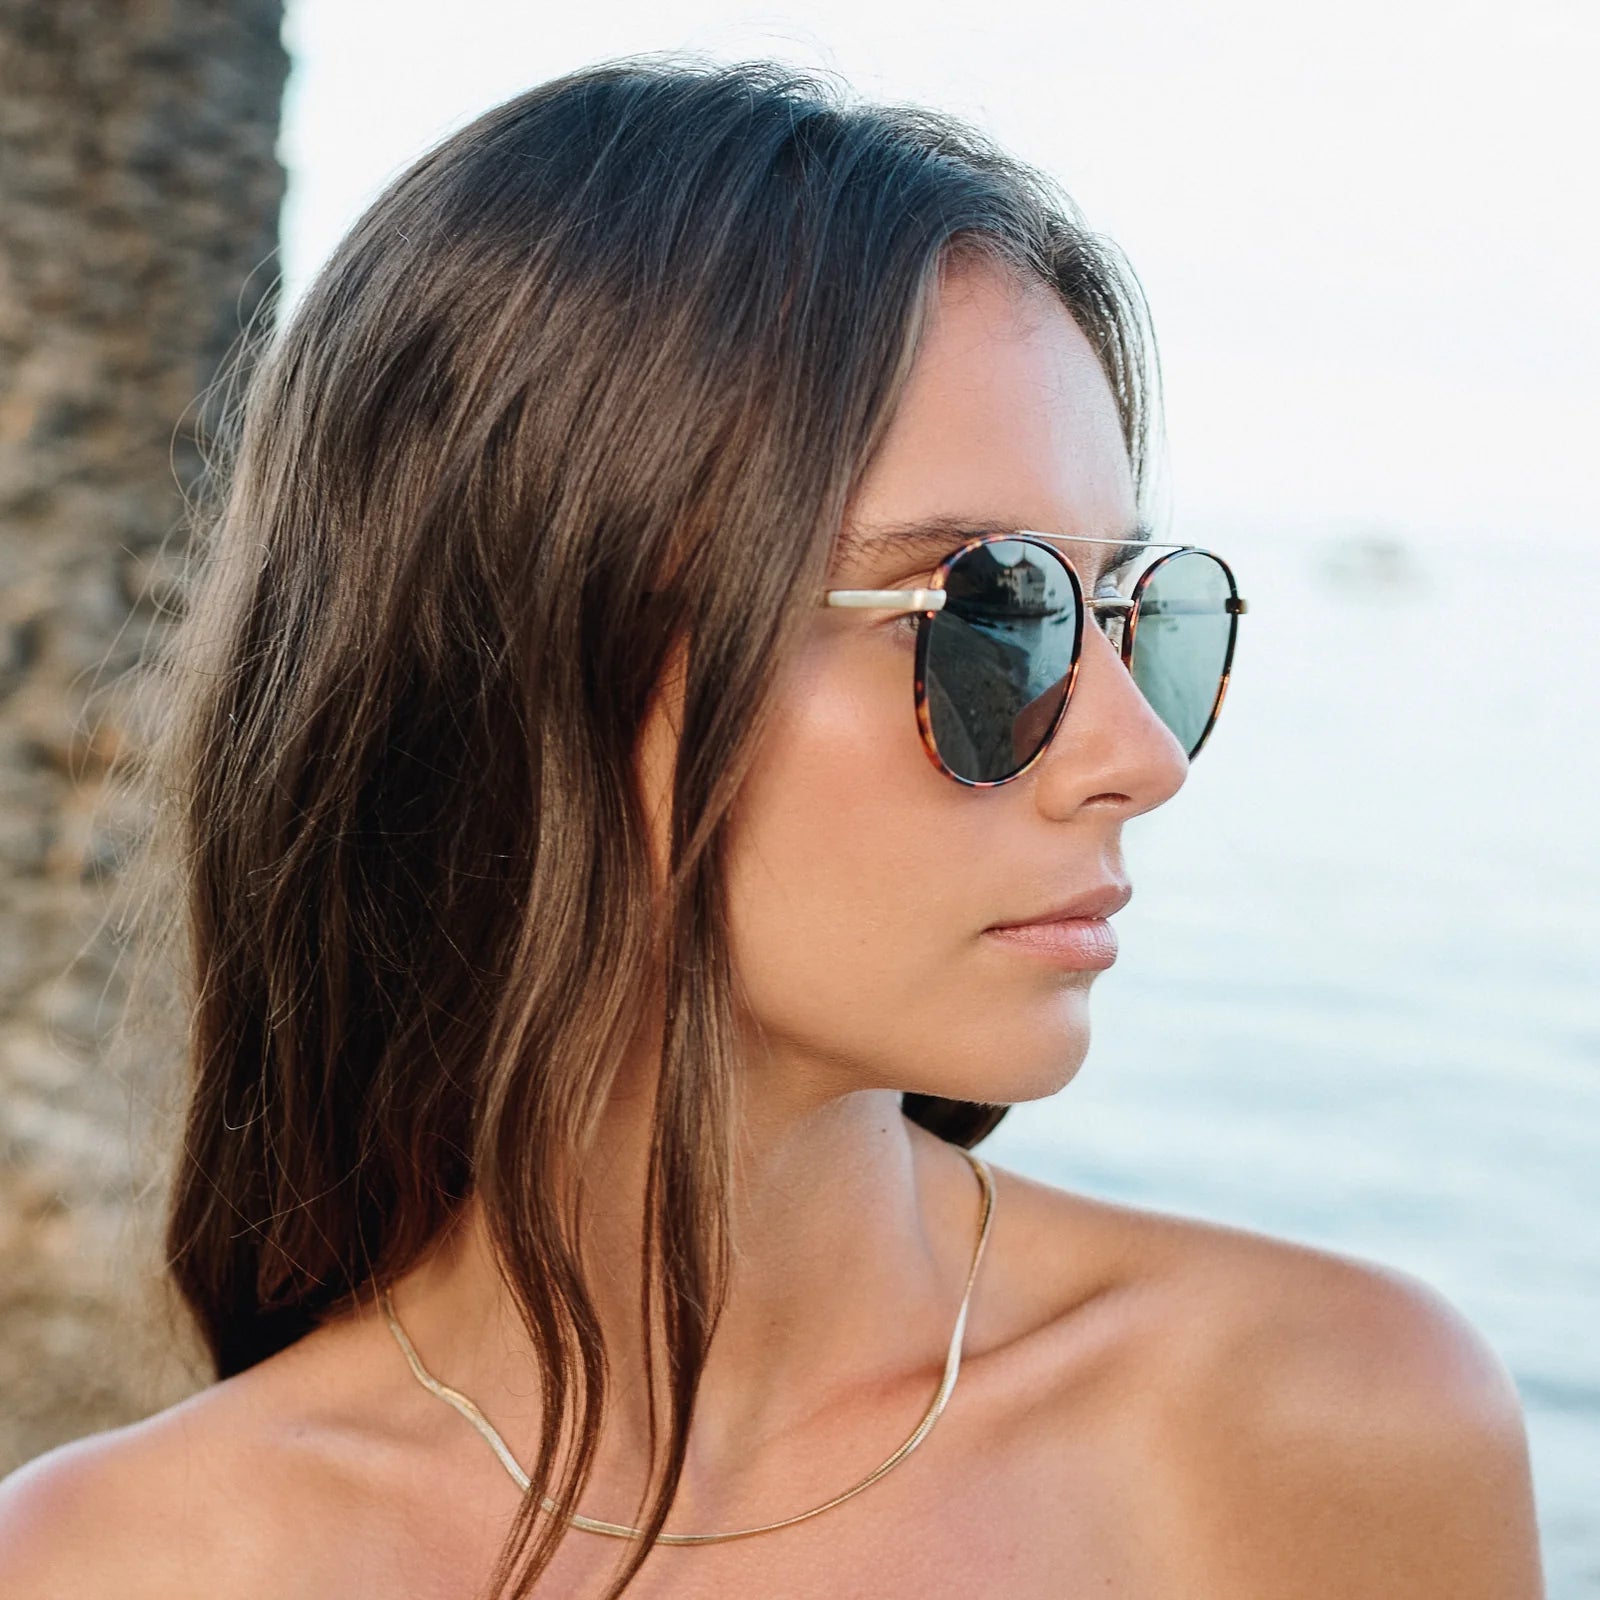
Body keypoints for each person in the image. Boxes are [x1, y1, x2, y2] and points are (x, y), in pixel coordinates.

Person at [0, 55, 1543, 1600]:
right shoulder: (123, 1563)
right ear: (541, 655)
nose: (1138, 756)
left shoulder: (1317, 1430)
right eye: (990, 611)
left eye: (1138, 613)